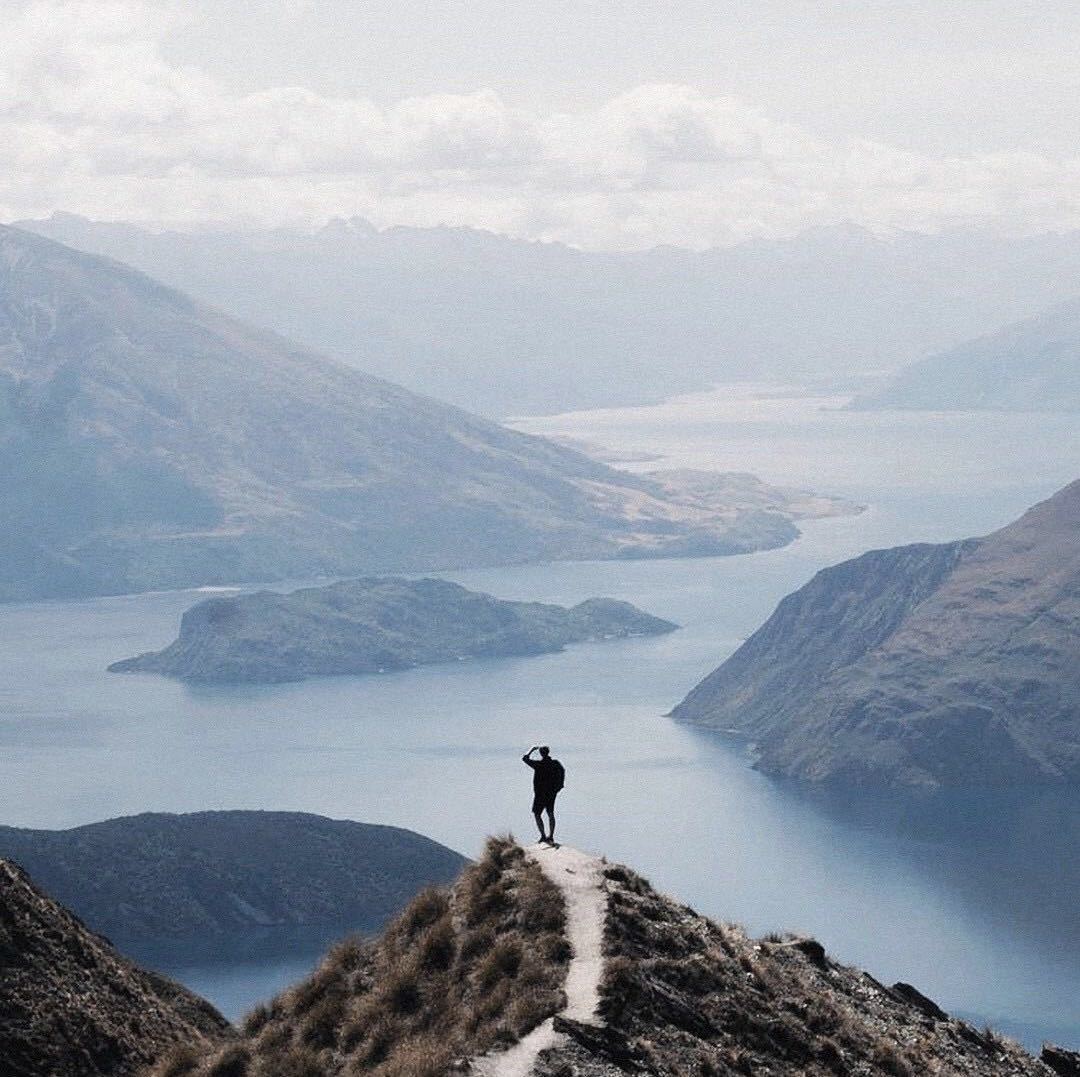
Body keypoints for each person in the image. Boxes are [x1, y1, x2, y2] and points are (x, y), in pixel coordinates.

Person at [522, 745, 564, 844]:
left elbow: (525, 758)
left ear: (541, 753)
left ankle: (543, 836)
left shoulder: (539, 764)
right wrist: (560, 786)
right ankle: (550, 836)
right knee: (550, 813)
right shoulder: (555, 763)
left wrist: (531, 750)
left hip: (540, 793)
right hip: (550, 792)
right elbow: (562, 771)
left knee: (537, 814)